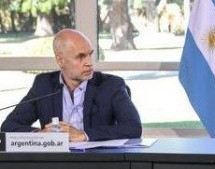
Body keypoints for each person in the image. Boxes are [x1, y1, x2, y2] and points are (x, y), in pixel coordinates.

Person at [1, 28, 142, 141]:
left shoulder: (111, 85)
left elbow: (133, 127)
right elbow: (8, 127)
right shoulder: (44, 85)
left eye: (89, 55)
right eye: (80, 57)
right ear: (61, 61)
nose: (89, 63)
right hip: (55, 165)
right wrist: (41, 134)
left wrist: (83, 135)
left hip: (98, 164)